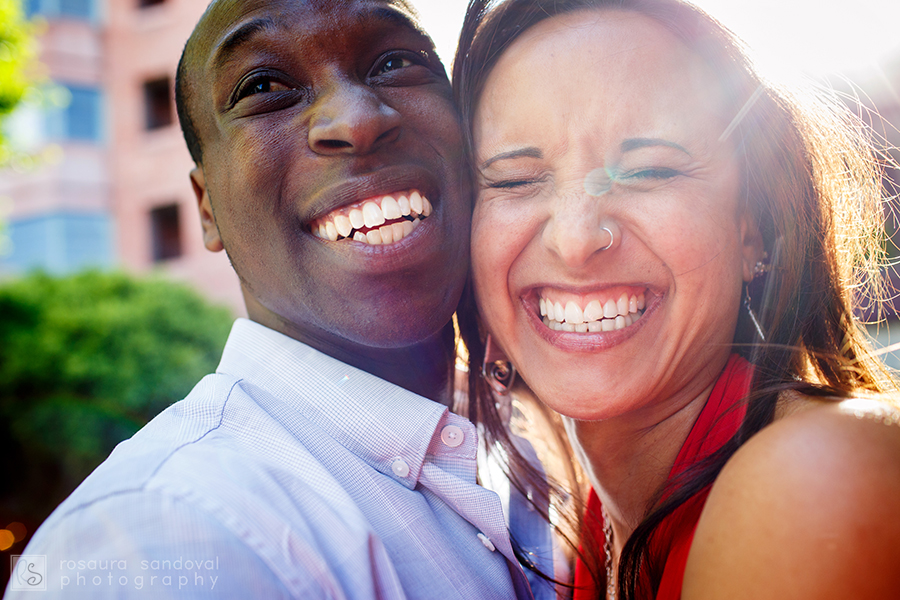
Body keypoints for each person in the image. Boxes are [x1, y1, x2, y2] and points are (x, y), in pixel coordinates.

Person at [6, 1, 550, 598]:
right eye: (264, 87)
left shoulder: (527, 452)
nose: (356, 118)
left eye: (394, 61)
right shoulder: (160, 531)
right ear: (207, 207)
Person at [453, 0, 900, 598]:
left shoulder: (812, 474)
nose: (576, 237)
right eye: (515, 180)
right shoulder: (593, 522)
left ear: (754, 230)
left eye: (648, 172)